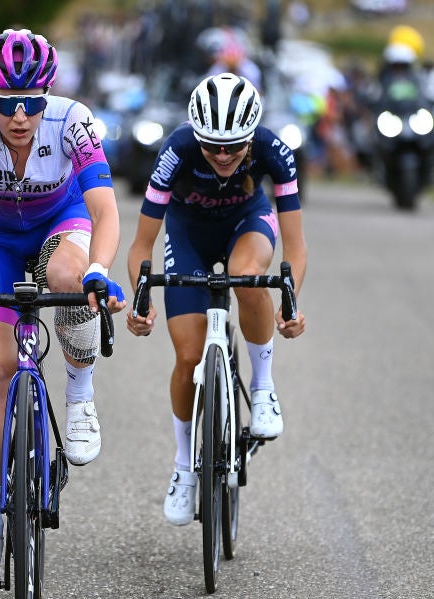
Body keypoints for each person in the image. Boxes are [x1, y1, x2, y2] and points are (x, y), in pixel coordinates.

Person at [0, 29, 126, 588]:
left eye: (32, 103)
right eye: (7, 104)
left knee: (68, 277)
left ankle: (80, 393)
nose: (19, 116)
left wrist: (99, 268)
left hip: (60, 222)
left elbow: (106, 211)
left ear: (46, 96)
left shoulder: (72, 120)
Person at [125, 73, 307, 526]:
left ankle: (262, 388)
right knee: (188, 357)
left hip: (247, 222)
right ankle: (184, 467)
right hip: (187, 233)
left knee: (247, 276)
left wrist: (290, 304)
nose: (223, 156)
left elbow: (296, 247)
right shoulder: (176, 150)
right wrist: (141, 300)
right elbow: (141, 245)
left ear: (251, 136)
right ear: (197, 136)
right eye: (211, 146)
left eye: (234, 146)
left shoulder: (274, 150)